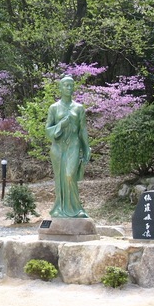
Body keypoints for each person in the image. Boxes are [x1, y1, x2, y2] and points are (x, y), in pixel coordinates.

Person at [45, 75, 91, 218]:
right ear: (60, 87)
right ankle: (59, 208)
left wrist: (86, 148)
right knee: (59, 177)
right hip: (58, 147)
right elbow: (47, 129)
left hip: (73, 144)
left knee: (70, 175)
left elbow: (82, 129)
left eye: (71, 85)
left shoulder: (79, 108)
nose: (69, 88)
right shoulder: (54, 108)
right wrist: (60, 125)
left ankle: (76, 209)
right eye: (66, 85)